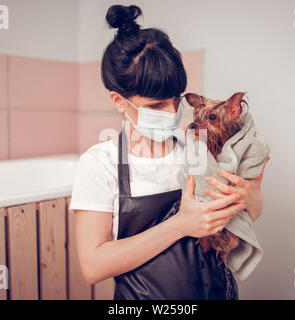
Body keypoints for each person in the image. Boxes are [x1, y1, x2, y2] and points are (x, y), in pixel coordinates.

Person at [69, 4, 267, 300]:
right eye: (156, 106)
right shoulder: (100, 164)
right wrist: (180, 225)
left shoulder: (201, 149)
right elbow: (93, 266)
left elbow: (247, 214)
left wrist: (253, 198)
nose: (173, 112)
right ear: (119, 101)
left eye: (176, 100)